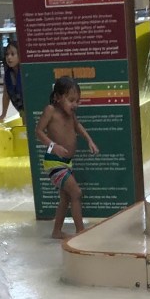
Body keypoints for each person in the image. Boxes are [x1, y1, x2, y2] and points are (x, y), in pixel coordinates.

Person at [34, 76, 99, 238]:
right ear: (57, 97)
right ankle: (80, 231)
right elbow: (38, 131)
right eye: (71, 100)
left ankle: (57, 231)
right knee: (76, 193)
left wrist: (89, 140)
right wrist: (53, 146)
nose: (75, 104)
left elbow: (77, 126)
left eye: (77, 101)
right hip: (54, 162)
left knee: (66, 197)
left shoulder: (71, 114)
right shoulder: (50, 110)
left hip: (66, 163)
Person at [0, 39, 23, 123]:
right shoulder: (8, 75)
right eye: (7, 54)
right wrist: (3, 114)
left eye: (12, 54)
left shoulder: (25, 73)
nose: (9, 57)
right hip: (21, 109)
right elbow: (6, 95)